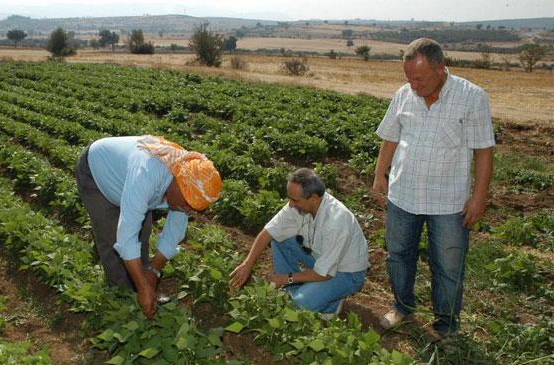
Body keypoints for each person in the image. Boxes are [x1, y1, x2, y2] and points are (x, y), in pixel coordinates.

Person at [372, 38, 495, 336]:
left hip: (449, 202)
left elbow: (483, 151)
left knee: (448, 268)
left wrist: (478, 198)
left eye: (419, 78)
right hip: (403, 196)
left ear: (440, 68)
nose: (413, 85)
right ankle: (402, 307)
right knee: (399, 256)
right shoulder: (404, 95)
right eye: (409, 78)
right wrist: (379, 176)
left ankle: (447, 326)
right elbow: (390, 138)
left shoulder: (472, 97)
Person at [75, 135, 222, 318]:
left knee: (142, 235)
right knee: (113, 240)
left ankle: (142, 288)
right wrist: (144, 287)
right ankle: (122, 303)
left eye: (193, 208)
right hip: (97, 173)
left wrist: (152, 274)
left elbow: (173, 233)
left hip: (129, 183)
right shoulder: (146, 173)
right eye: (186, 204)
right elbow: (126, 239)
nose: (187, 209)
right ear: (177, 182)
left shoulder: (187, 177)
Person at [230, 168, 369, 319]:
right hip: (321, 260)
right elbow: (269, 232)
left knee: (298, 307)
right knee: (278, 238)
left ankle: (330, 303)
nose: (290, 204)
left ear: (313, 199)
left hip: (345, 273)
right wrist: (247, 263)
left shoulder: (336, 222)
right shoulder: (299, 205)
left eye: (295, 200)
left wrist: (285, 278)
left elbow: (325, 273)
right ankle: (298, 289)